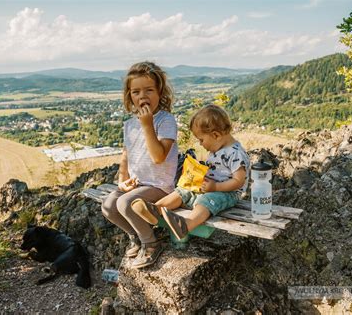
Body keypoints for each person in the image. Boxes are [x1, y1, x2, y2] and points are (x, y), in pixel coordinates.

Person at [131, 104, 250, 240]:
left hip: (227, 194)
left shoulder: (236, 154)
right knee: (182, 191)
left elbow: (238, 181)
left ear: (216, 135)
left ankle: (186, 225)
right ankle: (154, 210)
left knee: (206, 200)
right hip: (209, 188)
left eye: (201, 140)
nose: (200, 144)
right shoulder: (217, 149)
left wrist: (216, 187)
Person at [101, 61, 178, 269]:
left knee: (125, 203)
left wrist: (147, 125)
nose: (142, 96)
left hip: (159, 187)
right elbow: (126, 155)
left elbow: (159, 157)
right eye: (136, 92)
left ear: (160, 92)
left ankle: (151, 243)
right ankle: (136, 236)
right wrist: (122, 180)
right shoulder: (130, 124)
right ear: (130, 96)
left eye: (149, 90)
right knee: (108, 205)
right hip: (137, 184)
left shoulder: (165, 120)